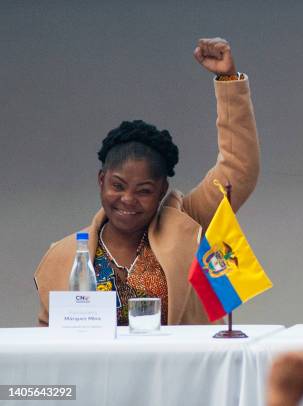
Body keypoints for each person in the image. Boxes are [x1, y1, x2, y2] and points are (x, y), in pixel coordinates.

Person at [34, 37, 259, 326]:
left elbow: (239, 167)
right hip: (97, 373)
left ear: (162, 190)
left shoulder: (188, 222)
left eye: (144, 191)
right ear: (101, 181)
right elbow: (47, 345)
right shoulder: (64, 255)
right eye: (117, 185)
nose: (128, 199)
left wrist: (228, 80)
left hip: (178, 371)